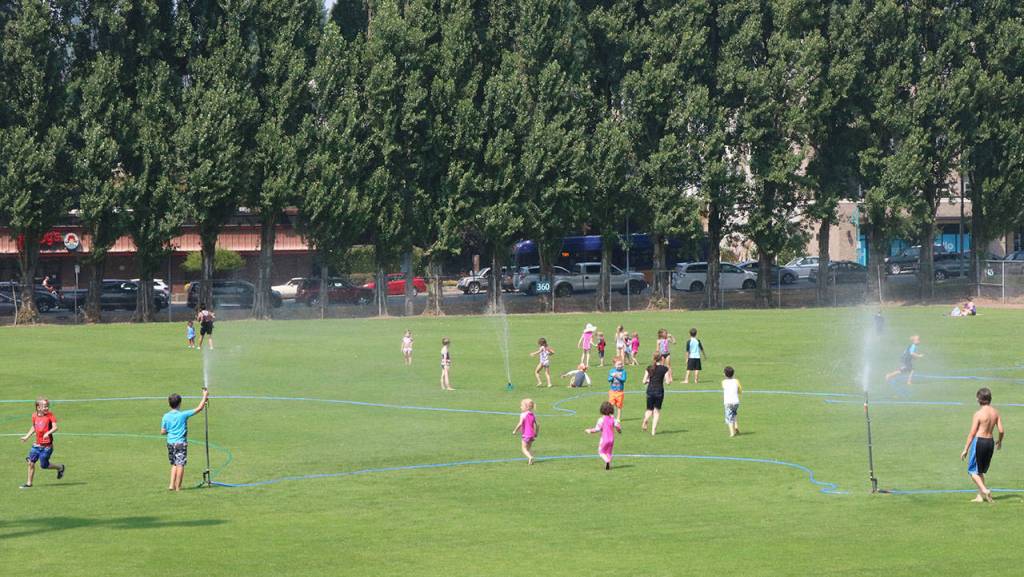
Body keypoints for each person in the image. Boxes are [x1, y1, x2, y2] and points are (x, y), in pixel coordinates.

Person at [960, 387, 1004, 503]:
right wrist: (999, 441)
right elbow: (1001, 430)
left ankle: (985, 490)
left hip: (979, 441)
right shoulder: (995, 412)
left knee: (972, 471)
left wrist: (965, 449)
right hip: (990, 442)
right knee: (980, 471)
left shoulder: (978, 414)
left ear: (979, 399)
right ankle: (980, 496)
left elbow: (972, 433)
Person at [160, 387, 209, 491]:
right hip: (180, 443)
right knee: (180, 464)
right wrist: (204, 396)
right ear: (180, 403)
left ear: (169, 404)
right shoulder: (182, 415)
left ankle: (171, 485)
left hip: (170, 443)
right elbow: (199, 408)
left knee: (174, 464)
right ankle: (178, 487)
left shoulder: (165, 416)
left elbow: (163, 431)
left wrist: (171, 430)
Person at [19, 398, 65, 488]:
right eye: (44, 406)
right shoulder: (34, 416)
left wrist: (47, 433)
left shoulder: (50, 415)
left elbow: (55, 427)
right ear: (38, 407)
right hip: (36, 445)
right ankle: (29, 483)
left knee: (44, 465)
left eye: (47, 406)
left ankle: (60, 467)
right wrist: (26, 437)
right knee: (31, 463)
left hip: (47, 447)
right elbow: (34, 427)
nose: (47, 408)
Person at [585, 401, 622, 470]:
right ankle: (608, 464)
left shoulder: (601, 420)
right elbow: (618, 426)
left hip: (604, 439)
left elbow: (597, 429)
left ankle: (607, 461)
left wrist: (589, 430)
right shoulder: (613, 419)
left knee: (601, 452)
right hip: (611, 439)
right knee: (608, 452)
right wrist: (619, 431)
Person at [641, 354, 670, 436]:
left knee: (649, 410)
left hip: (650, 390)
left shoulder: (649, 368)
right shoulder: (664, 369)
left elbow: (644, 381)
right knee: (656, 411)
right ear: (661, 359)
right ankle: (653, 430)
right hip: (659, 391)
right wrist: (667, 380)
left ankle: (646, 419)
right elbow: (668, 382)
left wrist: (648, 381)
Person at [512, 399, 539, 465]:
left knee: (524, 449)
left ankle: (530, 457)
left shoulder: (523, 414)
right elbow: (538, 425)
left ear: (526, 407)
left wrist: (515, 430)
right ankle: (531, 461)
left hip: (526, 434)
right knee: (528, 448)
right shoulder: (533, 415)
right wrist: (536, 433)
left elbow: (520, 423)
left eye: (521, 406)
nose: (520, 407)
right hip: (532, 435)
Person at [722, 366, 743, 437]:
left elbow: (725, 387)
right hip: (736, 402)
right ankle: (736, 427)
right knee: (734, 414)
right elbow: (740, 391)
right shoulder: (736, 381)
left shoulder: (723, 382)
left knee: (729, 418)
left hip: (728, 402)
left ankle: (732, 433)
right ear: (733, 374)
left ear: (724, 374)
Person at [607, 358, 627, 422]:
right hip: (612, 391)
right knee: (611, 405)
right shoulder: (612, 371)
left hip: (620, 392)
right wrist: (612, 376)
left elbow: (624, 380)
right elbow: (609, 380)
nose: (620, 366)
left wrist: (617, 376)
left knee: (619, 405)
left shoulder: (623, 371)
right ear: (614, 365)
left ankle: (618, 418)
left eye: (621, 364)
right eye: (618, 364)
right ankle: (611, 416)